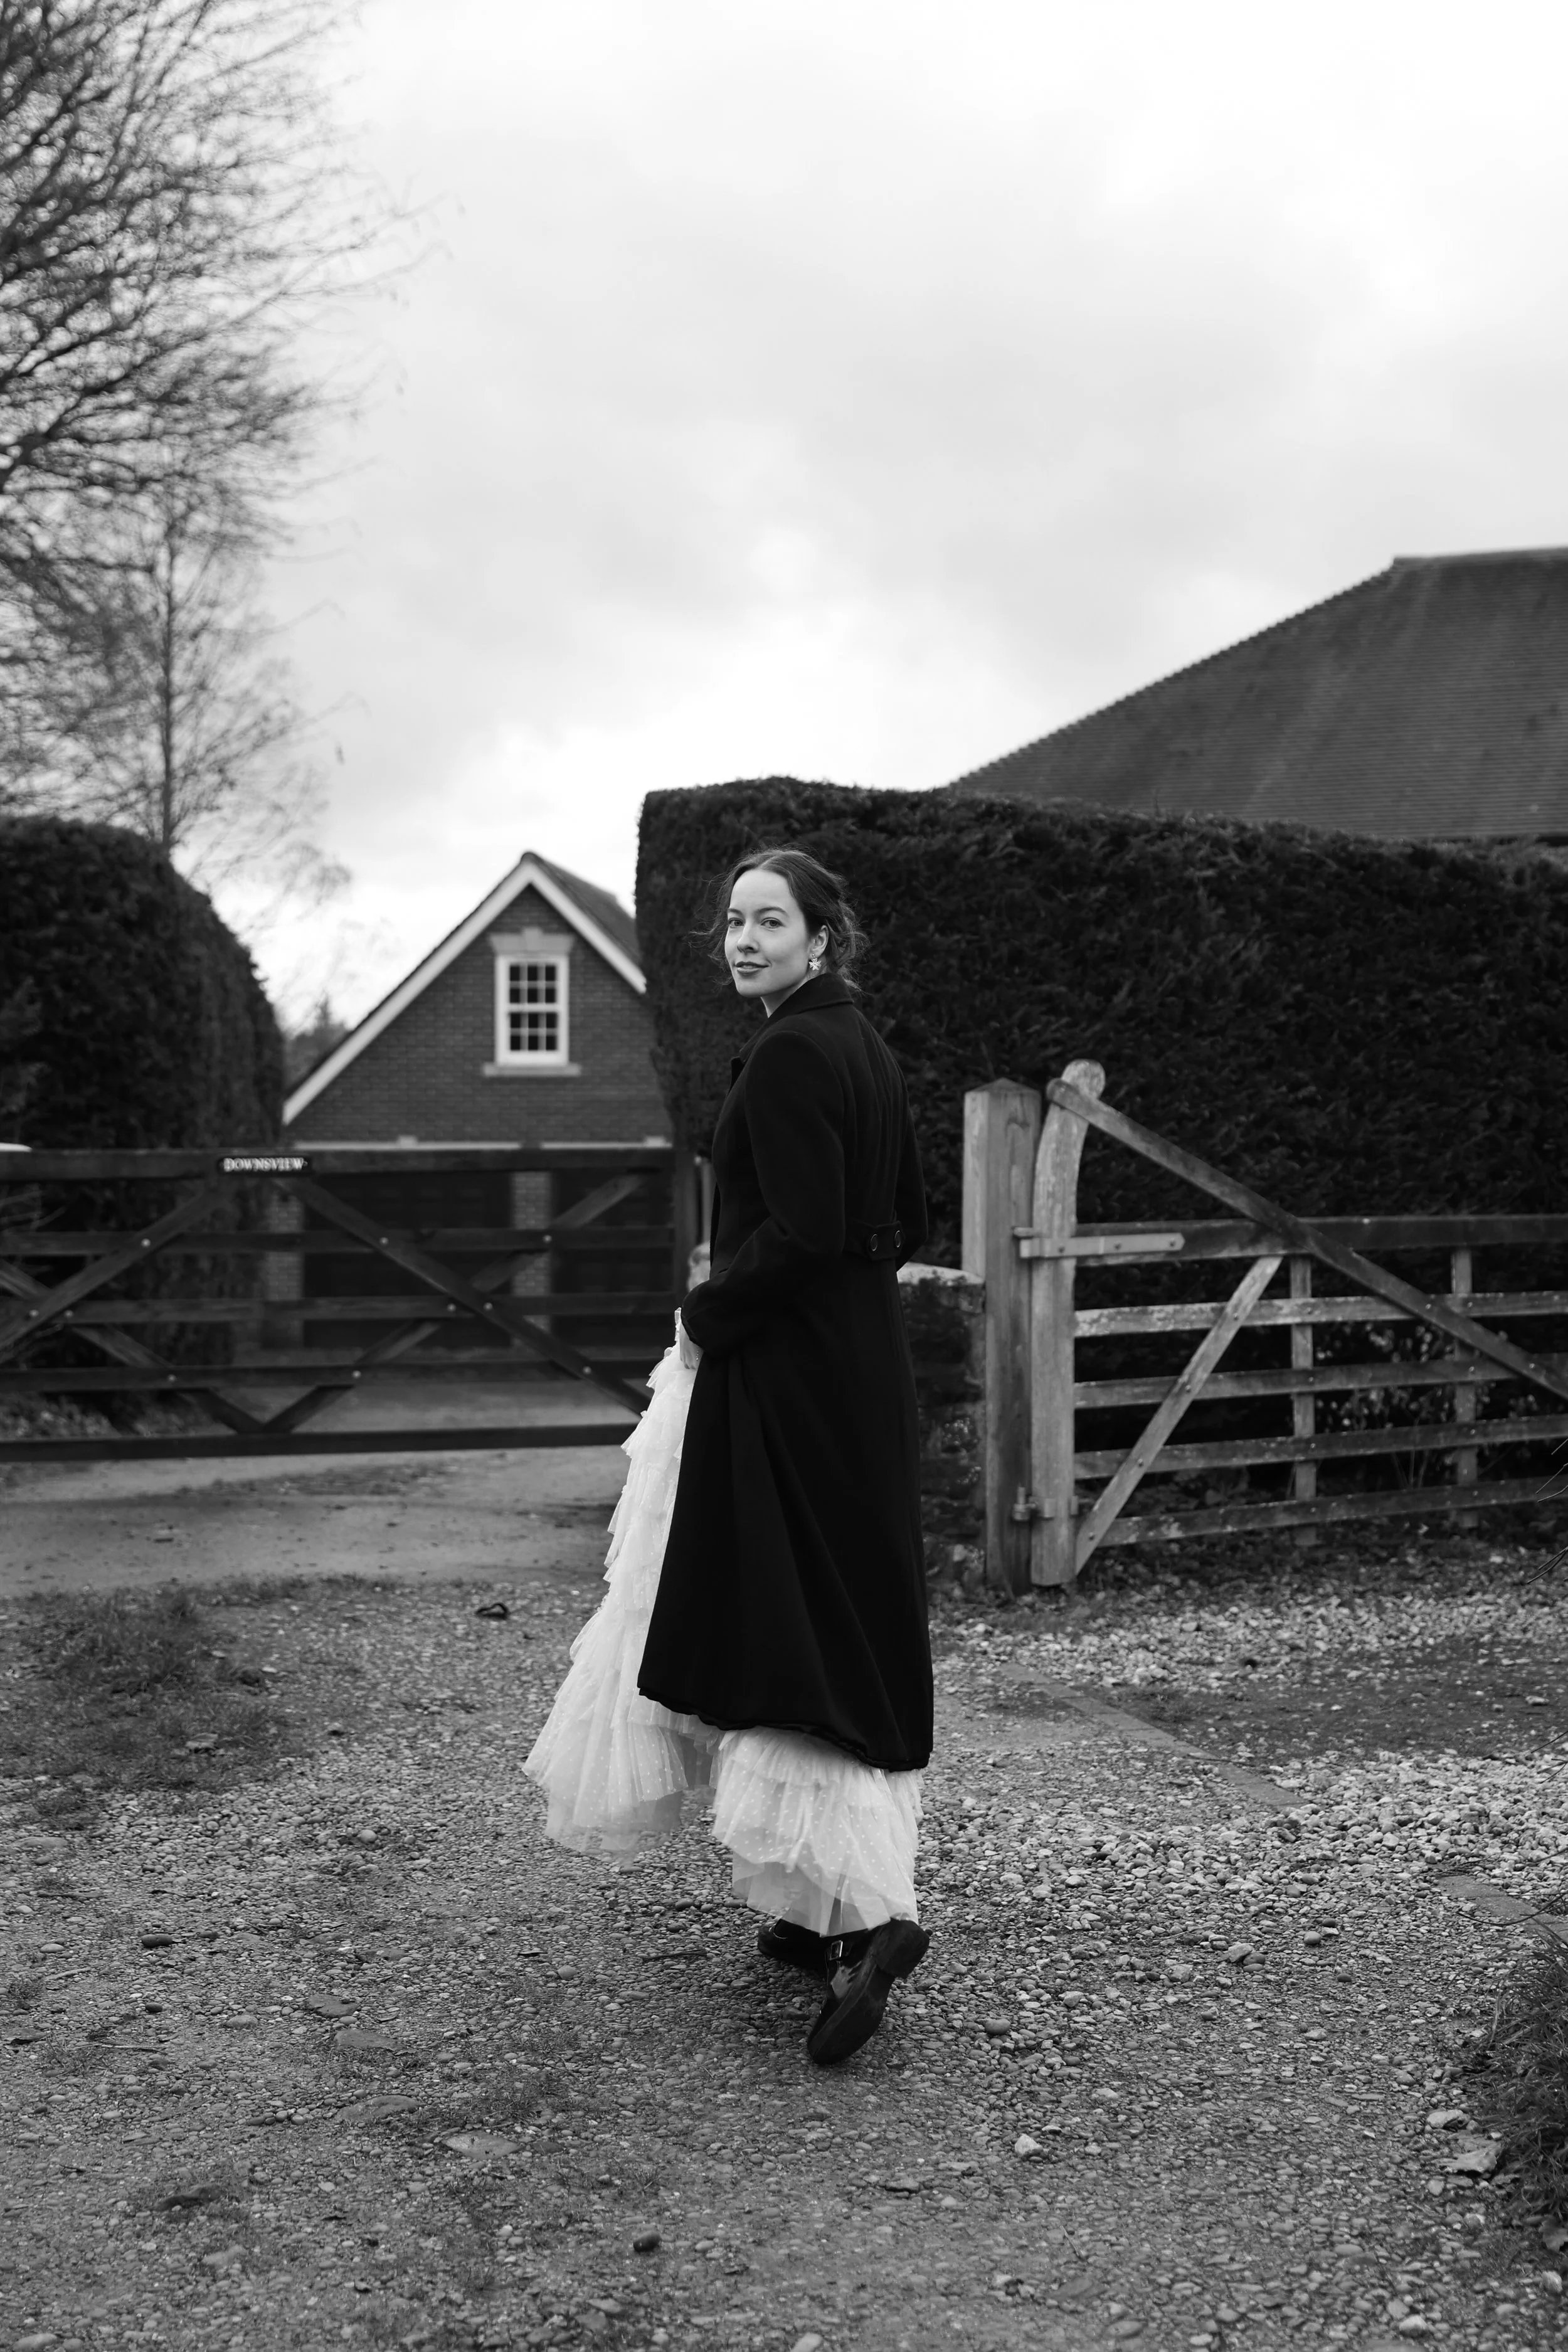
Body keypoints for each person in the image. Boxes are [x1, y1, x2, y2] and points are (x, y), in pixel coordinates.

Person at [525, 846, 932, 2065]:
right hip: (850, 1368)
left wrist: (708, 1315)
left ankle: (865, 1922)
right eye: (733, 922)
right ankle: (818, 1915)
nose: (744, 941)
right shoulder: (857, 1044)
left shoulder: (801, 1050)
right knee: (824, 1614)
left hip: (788, 1378)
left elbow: (803, 1232)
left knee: (787, 1621)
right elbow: (895, 1223)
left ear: (821, 936)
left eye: (770, 922)